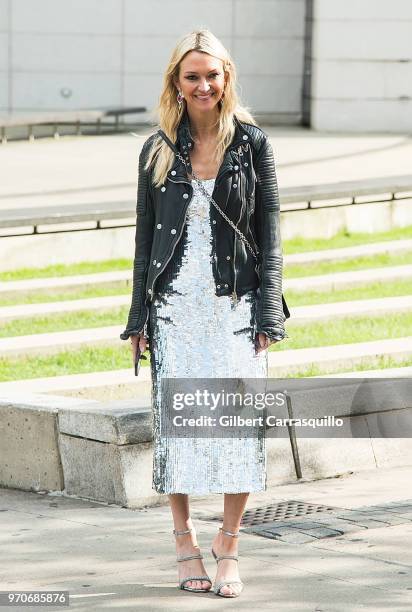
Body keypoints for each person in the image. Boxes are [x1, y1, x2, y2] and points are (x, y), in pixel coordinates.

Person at [120, 29, 289, 598]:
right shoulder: (157, 147)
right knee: (181, 428)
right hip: (173, 308)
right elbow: (145, 239)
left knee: (238, 428)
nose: (203, 85)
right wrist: (138, 317)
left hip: (235, 308)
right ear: (176, 82)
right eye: (191, 76)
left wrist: (270, 310)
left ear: (226, 78)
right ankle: (185, 542)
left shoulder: (253, 143)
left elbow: (270, 232)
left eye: (211, 75)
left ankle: (230, 545)